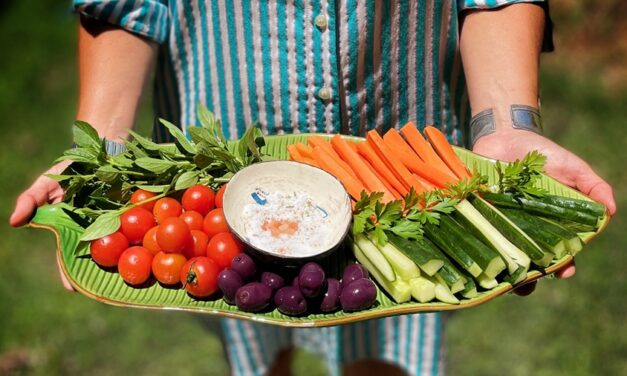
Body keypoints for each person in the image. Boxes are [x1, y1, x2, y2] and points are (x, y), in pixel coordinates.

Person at [10, 1, 616, 375]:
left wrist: (506, 126)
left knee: (390, 345)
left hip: (400, 158)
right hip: (230, 142)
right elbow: (124, 3)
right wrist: (105, 152)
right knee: (250, 331)